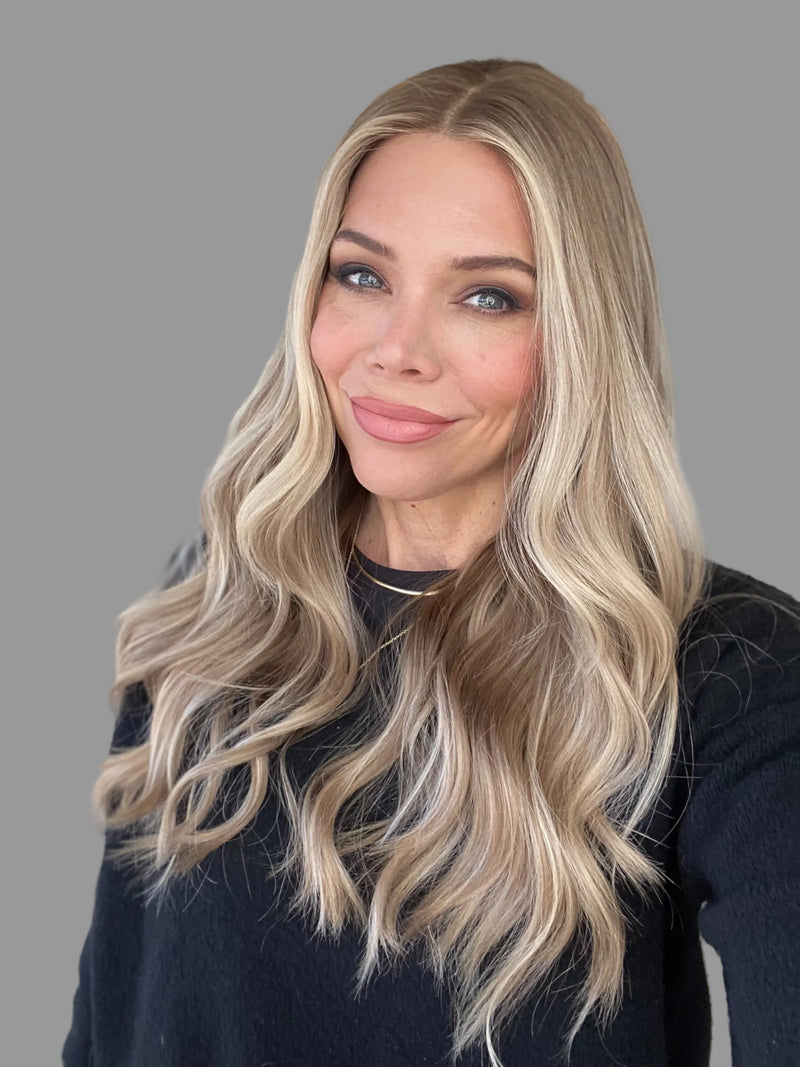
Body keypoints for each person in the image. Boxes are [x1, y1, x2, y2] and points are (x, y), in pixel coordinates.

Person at [62, 58, 800, 1067]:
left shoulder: (720, 668)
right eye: (362, 275)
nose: (397, 348)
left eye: (487, 297)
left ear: (580, 336)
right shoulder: (219, 614)